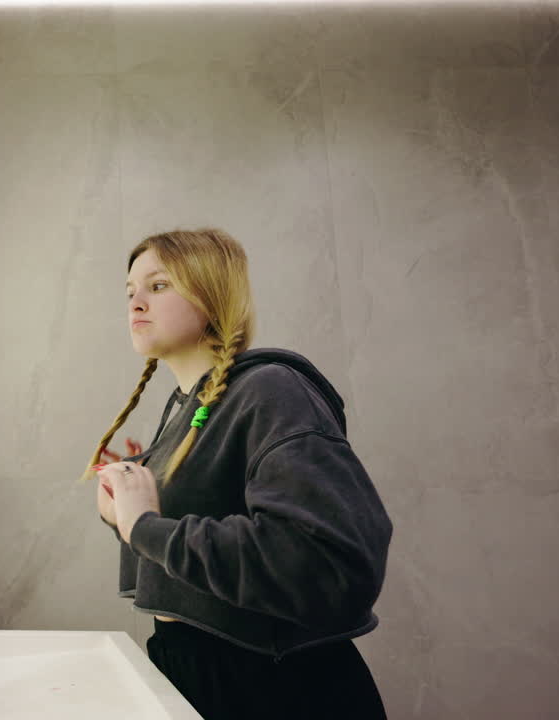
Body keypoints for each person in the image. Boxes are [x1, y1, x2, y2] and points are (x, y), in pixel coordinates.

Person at [82, 228, 392, 719]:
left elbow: (323, 562)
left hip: (277, 691)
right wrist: (124, 511)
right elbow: (188, 540)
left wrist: (144, 525)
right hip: (192, 671)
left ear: (211, 295)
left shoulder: (271, 390)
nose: (136, 303)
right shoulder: (188, 410)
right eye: (130, 291)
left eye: (158, 286)